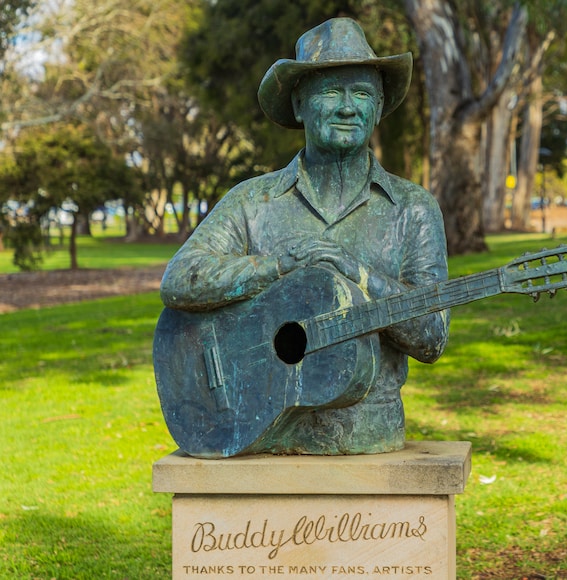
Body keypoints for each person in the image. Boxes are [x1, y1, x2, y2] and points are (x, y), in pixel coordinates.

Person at [159, 18, 449, 455]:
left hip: (369, 431)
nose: (348, 107)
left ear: (379, 106)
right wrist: (273, 267)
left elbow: (433, 337)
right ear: (298, 104)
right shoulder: (252, 202)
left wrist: (357, 274)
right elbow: (179, 279)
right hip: (255, 422)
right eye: (331, 92)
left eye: (363, 94)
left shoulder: (413, 209)